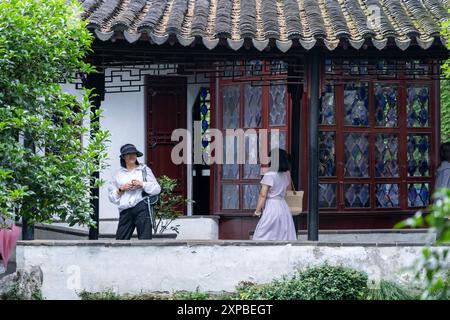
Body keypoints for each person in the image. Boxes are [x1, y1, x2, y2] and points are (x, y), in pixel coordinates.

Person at [108, 144, 161, 240]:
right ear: (123, 157)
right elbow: (112, 198)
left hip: (142, 206)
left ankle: (146, 255)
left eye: (134, 153)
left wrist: (142, 184)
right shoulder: (117, 174)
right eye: (128, 154)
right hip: (125, 209)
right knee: (120, 241)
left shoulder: (144, 170)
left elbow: (157, 189)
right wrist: (121, 189)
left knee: (145, 240)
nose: (132, 156)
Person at [253, 148, 297, 241]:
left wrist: (257, 211)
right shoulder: (284, 176)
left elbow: (263, 195)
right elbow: (285, 192)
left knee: (263, 234)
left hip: (272, 206)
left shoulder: (269, 175)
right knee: (282, 234)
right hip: (283, 206)